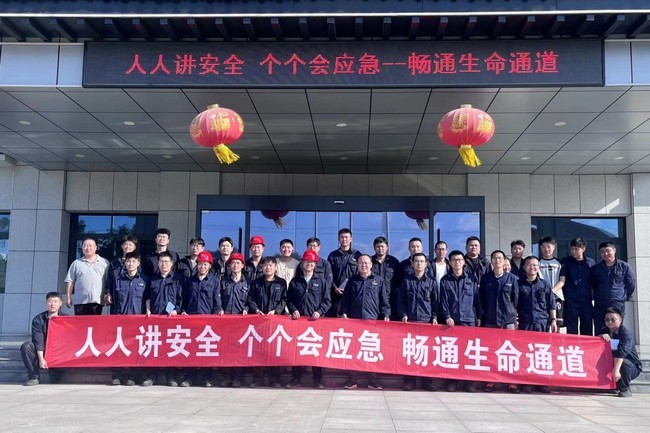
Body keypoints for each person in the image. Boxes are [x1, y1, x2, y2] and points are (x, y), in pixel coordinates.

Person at [339, 254, 390, 390]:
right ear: (357, 265)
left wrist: (386, 314)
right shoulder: (352, 281)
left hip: (372, 321)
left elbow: (384, 301)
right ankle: (352, 380)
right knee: (353, 350)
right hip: (354, 320)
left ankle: (372, 380)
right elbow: (345, 300)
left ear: (371, 265)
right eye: (361, 263)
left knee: (371, 351)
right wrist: (343, 313)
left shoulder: (378, 280)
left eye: (366, 263)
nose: (364, 265)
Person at [286, 250, 331, 389]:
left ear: (315, 264)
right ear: (302, 263)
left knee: (315, 351)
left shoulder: (321, 282)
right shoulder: (295, 281)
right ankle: (295, 378)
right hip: (299, 322)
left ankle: (317, 379)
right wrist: (293, 310)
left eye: (312, 262)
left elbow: (327, 301)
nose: (309, 264)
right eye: (306, 261)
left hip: (315, 322)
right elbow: (289, 300)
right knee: (297, 350)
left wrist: (319, 311)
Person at [438, 250, 481, 393]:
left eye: (460, 260)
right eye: (454, 260)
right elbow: (443, 301)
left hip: (468, 320)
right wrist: (447, 316)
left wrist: (479, 316)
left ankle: (468, 382)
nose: (457, 262)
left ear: (463, 262)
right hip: (452, 321)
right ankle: (453, 381)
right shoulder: (445, 280)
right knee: (453, 352)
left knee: (468, 352)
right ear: (450, 263)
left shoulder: (471, 279)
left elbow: (476, 299)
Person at [396, 252, 439, 392]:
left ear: (426, 264)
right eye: (416, 261)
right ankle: (409, 381)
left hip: (426, 322)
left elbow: (435, 303)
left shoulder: (431, 282)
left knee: (427, 353)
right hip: (410, 322)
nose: (419, 264)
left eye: (422, 261)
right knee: (410, 352)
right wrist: (403, 314)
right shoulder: (406, 281)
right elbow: (400, 301)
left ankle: (428, 381)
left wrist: (434, 317)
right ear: (412, 264)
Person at [480, 250, 520, 393]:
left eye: (499, 258)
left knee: (509, 351)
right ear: (491, 261)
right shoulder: (486, 278)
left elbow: (516, 300)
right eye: (494, 258)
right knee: (492, 351)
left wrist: (512, 315)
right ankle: (491, 381)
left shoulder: (512, 279)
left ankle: (511, 382)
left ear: (504, 261)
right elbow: (482, 298)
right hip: (490, 320)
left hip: (508, 321)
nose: (497, 260)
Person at [142, 250, 184, 387]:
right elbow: (147, 297)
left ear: (171, 264)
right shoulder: (152, 279)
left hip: (171, 320)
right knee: (154, 348)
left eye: (166, 262)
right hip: (155, 319)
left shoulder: (177, 279)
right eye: (161, 262)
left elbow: (181, 299)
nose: (163, 264)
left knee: (170, 349)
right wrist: (148, 309)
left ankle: (170, 377)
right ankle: (152, 376)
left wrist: (176, 310)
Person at [517, 255, 557, 393]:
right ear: (524, 267)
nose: (532, 267)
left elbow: (551, 303)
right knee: (526, 352)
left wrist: (553, 320)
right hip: (525, 322)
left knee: (541, 352)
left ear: (538, 267)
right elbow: (514, 303)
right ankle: (526, 382)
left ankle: (541, 382)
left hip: (542, 322)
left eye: (535, 265)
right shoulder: (518, 283)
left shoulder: (544, 284)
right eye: (529, 265)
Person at [180, 251, 221, 387]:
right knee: (191, 350)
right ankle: (189, 378)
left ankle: (207, 378)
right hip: (191, 319)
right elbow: (184, 298)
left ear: (210, 266)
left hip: (207, 322)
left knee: (206, 350)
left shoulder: (214, 281)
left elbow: (217, 302)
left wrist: (214, 319)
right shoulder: (189, 280)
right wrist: (183, 311)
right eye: (200, 264)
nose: (202, 267)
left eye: (205, 264)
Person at [107, 251, 147, 386]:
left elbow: (147, 299)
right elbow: (113, 299)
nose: (130, 264)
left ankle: (132, 376)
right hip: (120, 319)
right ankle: (117, 375)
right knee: (118, 348)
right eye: (128, 261)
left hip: (137, 320)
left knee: (135, 348)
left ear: (138, 263)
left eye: (133, 261)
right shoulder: (118, 279)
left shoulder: (144, 280)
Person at [247, 256, 287, 388]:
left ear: (275, 267)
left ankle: (275, 379)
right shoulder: (256, 283)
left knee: (274, 350)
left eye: (270, 265)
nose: (268, 268)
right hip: (259, 321)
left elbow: (284, 300)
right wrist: (256, 310)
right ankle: (257, 379)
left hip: (275, 322)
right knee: (259, 350)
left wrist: (276, 311)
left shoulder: (281, 283)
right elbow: (250, 299)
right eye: (265, 265)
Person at [21, 292, 68, 386]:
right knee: (26, 346)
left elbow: (69, 338)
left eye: (55, 301)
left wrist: (58, 322)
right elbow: (38, 341)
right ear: (46, 303)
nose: (53, 304)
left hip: (58, 350)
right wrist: (41, 359)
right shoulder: (38, 319)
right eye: (50, 301)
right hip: (43, 348)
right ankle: (34, 377)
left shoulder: (66, 318)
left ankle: (56, 376)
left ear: (60, 303)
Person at [219, 252, 250, 388]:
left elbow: (251, 300)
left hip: (241, 322)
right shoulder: (223, 282)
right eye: (233, 263)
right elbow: (218, 298)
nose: (235, 265)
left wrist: (247, 309)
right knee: (225, 349)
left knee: (239, 350)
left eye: (238, 263)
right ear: (229, 265)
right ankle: (227, 376)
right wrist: (219, 308)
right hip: (225, 321)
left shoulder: (248, 282)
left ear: (243, 265)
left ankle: (237, 378)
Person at [599, 307, 642, 398]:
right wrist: (601, 336)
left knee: (624, 363)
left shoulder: (625, 334)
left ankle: (625, 389)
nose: (610, 322)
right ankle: (613, 386)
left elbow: (621, 353)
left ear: (620, 319)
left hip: (631, 365)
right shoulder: (604, 331)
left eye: (613, 319)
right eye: (607, 320)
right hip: (612, 361)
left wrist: (616, 370)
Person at [555, 238, 596, 335]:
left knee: (587, 328)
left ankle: (585, 345)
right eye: (572, 249)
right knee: (571, 329)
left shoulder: (590, 262)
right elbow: (562, 279)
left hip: (586, 301)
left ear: (583, 249)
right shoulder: (566, 261)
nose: (573, 251)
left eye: (576, 249)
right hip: (571, 300)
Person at [590, 242, 636, 327]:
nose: (605, 254)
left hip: (617, 303)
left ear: (614, 250)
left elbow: (631, 284)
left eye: (608, 251)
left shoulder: (624, 266)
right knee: (600, 328)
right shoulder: (596, 269)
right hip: (600, 304)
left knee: (616, 329)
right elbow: (594, 285)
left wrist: (622, 296)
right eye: (602, 251)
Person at [64, 237, 110, 315]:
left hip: (97, 301)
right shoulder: (76, 263)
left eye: (90, 246)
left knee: (95, 322)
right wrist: (68, 297)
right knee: (80, 322)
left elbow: (108, 281)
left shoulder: (104, 262)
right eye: (85, 245)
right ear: (82, 248)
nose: (87, 248)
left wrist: (108, 294)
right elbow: (70, 281)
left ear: (95, 247)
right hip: (80, 301)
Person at [327, 228, 362, 317]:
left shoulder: (357, 255)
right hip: (335, 295)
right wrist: (335, 288)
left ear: (351, 239)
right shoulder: (332, 255)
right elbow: (328, 275)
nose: (344, 239)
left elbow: (360, 274)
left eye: (346, 237)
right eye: (342, 237)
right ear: (338, 239)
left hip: (352, 294)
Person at [371, 236, 400, 320]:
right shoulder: (370, 261)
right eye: (378, 246)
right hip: (373, 298)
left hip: (390, 299)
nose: (380, 249)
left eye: (382, 246)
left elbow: (398, 281)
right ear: (374, 248)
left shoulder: (394, 262)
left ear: (387, 247)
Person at [538, 236, 564, 328]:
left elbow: (562, 281)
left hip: (557, 297)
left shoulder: (560, 263)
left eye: (549, 246)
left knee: (556, 325)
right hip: (541, 297)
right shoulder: (537, 263)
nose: (546, 249)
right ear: (540, 248)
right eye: (543, 247)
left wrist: (552, 291)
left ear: (554, 247)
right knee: (543, 324)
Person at [106, 234, 139, 299]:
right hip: (117, 296)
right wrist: (108, 292)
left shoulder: (138, 263)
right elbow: (110, 279)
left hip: (133, 296)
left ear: (134, 247)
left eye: (130, 245)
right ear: (122, 246)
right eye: (125, 244)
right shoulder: (114, 263)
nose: (127, 246)